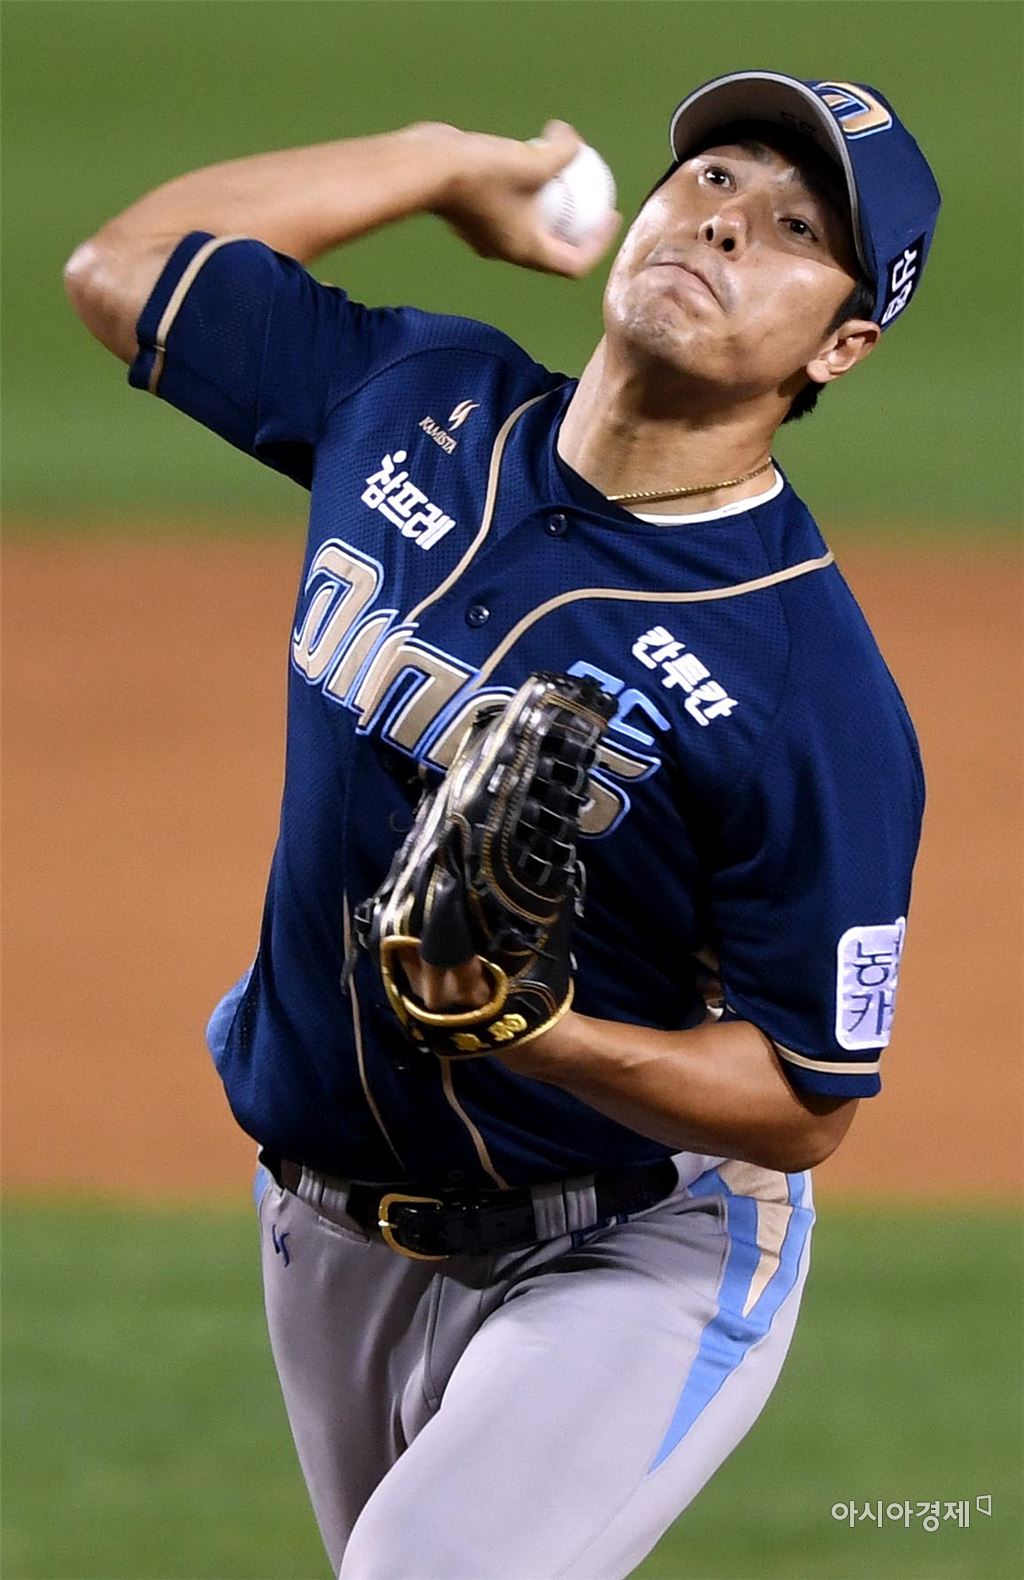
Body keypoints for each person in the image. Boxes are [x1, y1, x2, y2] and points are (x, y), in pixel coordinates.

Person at [65, 70, 940, 1580]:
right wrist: (435, 162)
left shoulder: (805, 685)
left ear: (840, 346)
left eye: (798, 231)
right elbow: (122, 270)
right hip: (326, 1229)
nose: (726, 225)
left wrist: (538, 1034)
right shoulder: (419, 398)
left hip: (633, 1251)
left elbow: (807, 1096)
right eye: (713, 178)